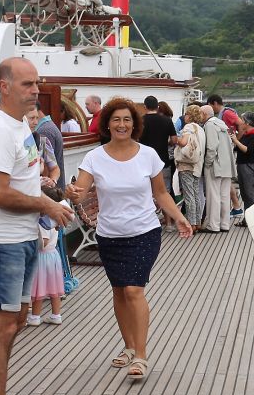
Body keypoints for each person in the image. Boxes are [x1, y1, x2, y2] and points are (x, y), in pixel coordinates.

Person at [0, 57, 74, 395]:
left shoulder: (19, 127)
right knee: (1, 331)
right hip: (2, 242)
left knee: (10, 327)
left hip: (20, 238)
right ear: (4, 86)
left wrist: (53, 193)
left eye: (37, 83)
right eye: (28, 84)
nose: (35, 90)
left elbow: (21, 180)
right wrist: (46, 206)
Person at [67, 97, 193, 380]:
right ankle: (127, 345)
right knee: (119, 292)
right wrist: (72, 193)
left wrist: (180, 217)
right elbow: (82, 190)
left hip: (144, 232)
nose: (122, 125)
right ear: (107, 124)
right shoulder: (94, 157)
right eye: (116, 120)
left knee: (134, 290)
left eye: (127, 120)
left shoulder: (148, 155)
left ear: (134, 124)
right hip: (110, 234)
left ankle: (141, 355)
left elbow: (161, 193)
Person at [200, 102, 236, 232]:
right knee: (224, 196)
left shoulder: (209, 125)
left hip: (215, 165)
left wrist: (207, 164)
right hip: (227, 165)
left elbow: (211, 147)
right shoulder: (222, 124)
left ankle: (213, 225)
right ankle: (224, 224)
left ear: (204, 114)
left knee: (213, 195)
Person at [25, 217, 66, 326]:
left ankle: (35, 317)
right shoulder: (55, 219)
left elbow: (44, 242)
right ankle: (56, 315)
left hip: (42, 257)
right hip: (53, 255)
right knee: (55, 288)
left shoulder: (43, 221)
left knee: (39, 288)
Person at [174, 104, 207, 229]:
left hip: (187, 165)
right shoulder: (201, 129)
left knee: (189, 195)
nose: (185, 116)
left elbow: (183, 142)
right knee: (196, 194)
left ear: (189, 115)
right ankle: (197, 222)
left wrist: (175, 138)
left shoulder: (188, 127)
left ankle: (191, 224)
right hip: (197, 165)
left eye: (186, 114)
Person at [139, 95, 177, 191]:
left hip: (144, 162)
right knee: (164, 191)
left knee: (146, 192)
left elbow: (134, 140)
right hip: (163, 161)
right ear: (158, 107)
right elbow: (174, 140)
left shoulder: (140, 121)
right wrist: (166, 142)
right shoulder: (167, 120)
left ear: (145, 107)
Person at [232, 112, 254, 216]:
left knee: (250, 194)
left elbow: (247, 150)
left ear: (247, 123)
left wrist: (235, 140)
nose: (241, 122)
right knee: (244, 194)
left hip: (249, 166)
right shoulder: (246, 134)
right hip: (242, 165)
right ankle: (247, 218)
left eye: (242, 120)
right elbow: (237, 148)